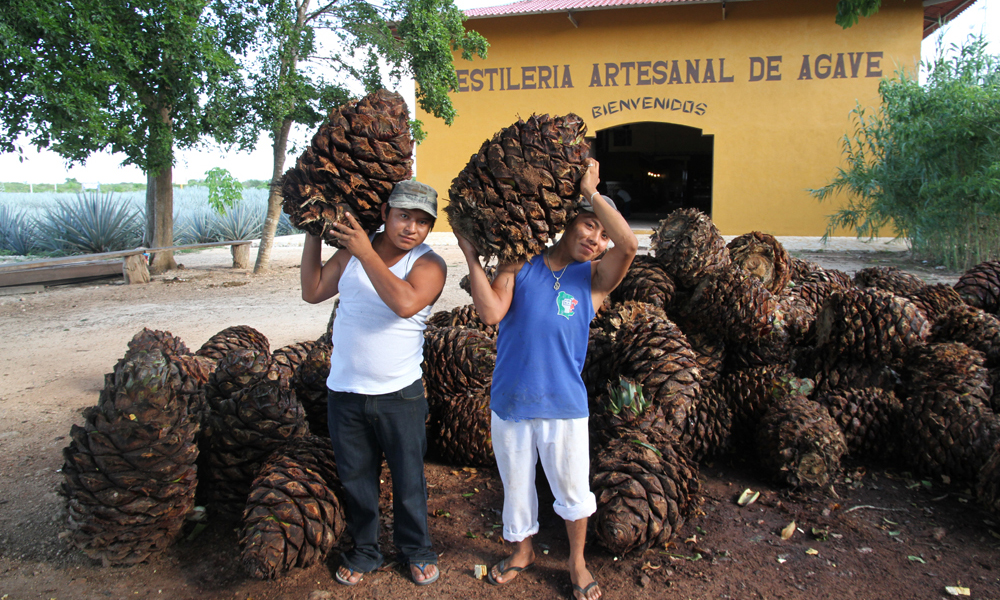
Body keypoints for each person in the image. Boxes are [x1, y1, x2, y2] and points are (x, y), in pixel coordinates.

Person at [457, 160, 638, 600]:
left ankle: (576, 562)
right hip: (512, 402)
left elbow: (630, 245)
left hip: (564, 405)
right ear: (568, 222)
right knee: (516, 487)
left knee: (574, 490)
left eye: (602, 235)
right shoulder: (523, 263)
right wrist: (468, 253)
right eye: (589, 226)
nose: (596, 240)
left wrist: (592, 192)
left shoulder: (593, 281)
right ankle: (523, 551)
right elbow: (491, 313)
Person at [300, 180, 446, 587]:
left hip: (400, 394)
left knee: (408, 480)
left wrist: (365, 252)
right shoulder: (350, 251)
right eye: (403, 216)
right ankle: (366, 549)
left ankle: (417, 549)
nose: (411, 228)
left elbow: (403, 303)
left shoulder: (429, 264)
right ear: (385, 213)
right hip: (345, 391)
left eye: (422, 221)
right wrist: (313, 235)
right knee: (357, 480)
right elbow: (312, 291)